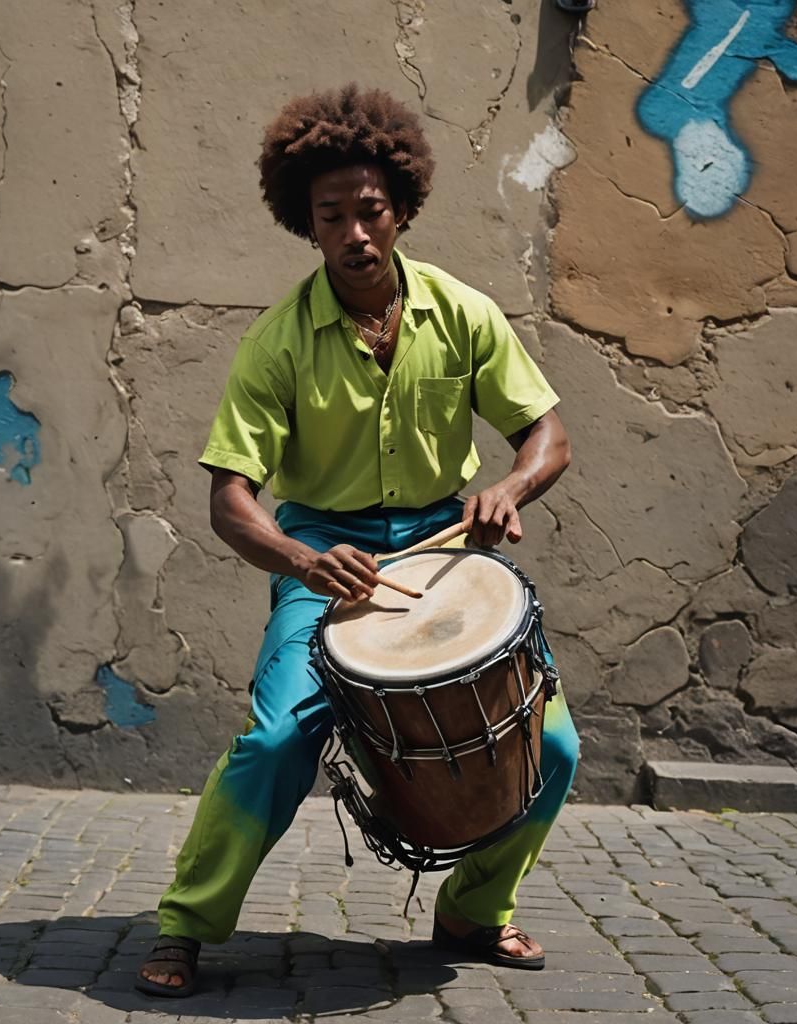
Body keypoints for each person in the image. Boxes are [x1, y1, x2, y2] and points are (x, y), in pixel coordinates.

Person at [136, 83, 579, 997]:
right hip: (322, 555)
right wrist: (303, 560)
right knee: (274, 742)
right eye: (331, 215)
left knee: (557, 745)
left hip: (441, 542)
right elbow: (231, 502)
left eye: (370, 210)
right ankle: (186, 923)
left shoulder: (462, 314)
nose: (355, 233)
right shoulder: (276, 343)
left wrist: (508, 485)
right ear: (308, 227)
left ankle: (473, 909)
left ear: (402, 208)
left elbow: (549, 436)